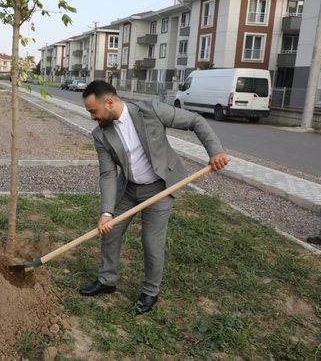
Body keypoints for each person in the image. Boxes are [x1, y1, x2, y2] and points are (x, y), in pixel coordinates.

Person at [79, 80, 230, 314]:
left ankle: (150, 292)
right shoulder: (101, 134)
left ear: (109, 102)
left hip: (160, 188)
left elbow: (195, 121)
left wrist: (216, 151)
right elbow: (108, 173)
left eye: (93, 111)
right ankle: (106, 280)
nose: (92, 117)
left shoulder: (150, 111)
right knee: (110, 232)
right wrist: (106, 212)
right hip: (128, 189)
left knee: (152, 243)